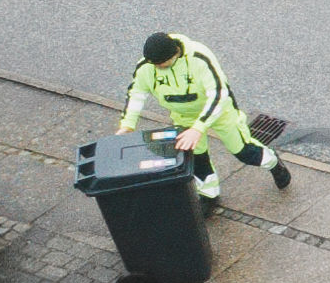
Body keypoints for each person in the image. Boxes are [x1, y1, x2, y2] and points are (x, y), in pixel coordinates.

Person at [120, 30, 292, 210]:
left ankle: (273, 163)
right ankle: (209, 195)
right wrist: (127, 124)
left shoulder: (199, 58)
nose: (157, 68)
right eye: (154, 64)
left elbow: (218, 94)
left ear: (175, 53)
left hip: (219, 111)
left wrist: (199, 127)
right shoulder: (147, 66)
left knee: (244, 151)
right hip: (184, 116)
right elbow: (137, 94)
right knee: (195, 157)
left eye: (161, 64)